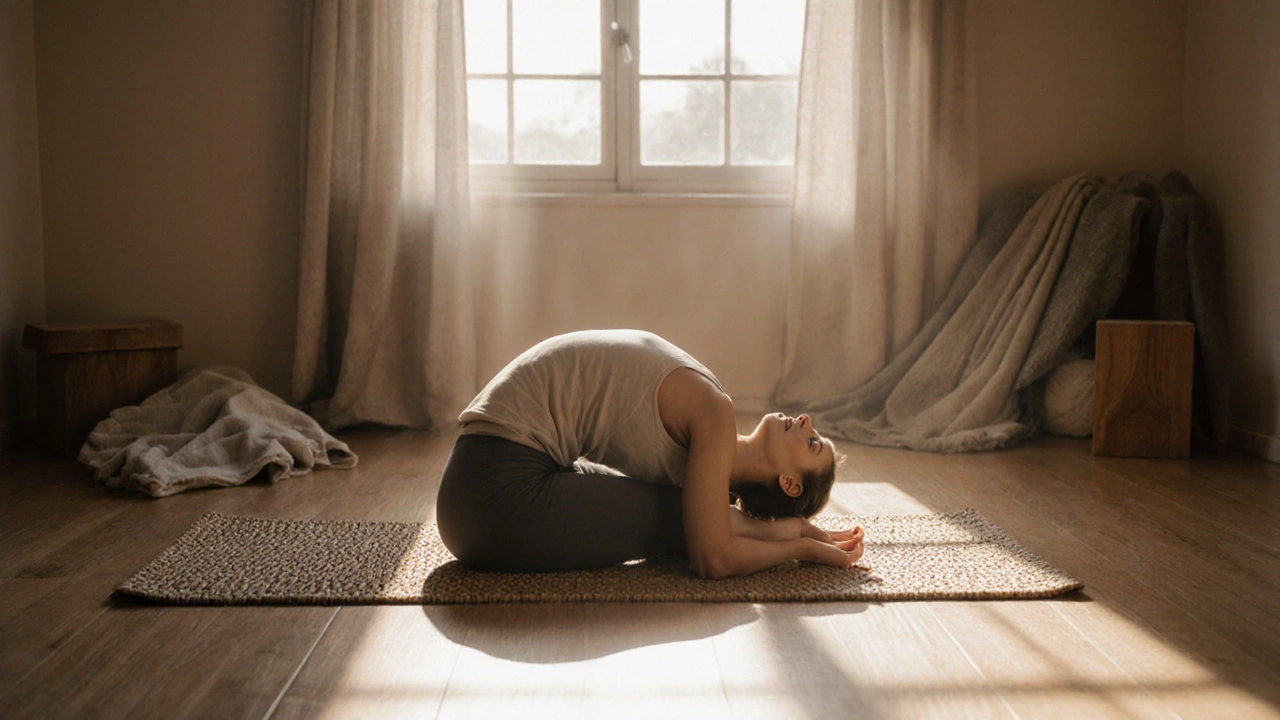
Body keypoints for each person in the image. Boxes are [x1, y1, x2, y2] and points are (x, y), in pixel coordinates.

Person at [436, 329, 865, 578]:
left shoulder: (706, 432)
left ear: (789, 483)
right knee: (682, 522)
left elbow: (711, 535)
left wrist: (791, 532)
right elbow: (713, 558)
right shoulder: (714, 411)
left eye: (812, 445)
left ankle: (787, 529)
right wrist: (799, 546)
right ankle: (788, 530)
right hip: (491, 494)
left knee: (686, 516)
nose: (806, 420)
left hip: (477, 494)